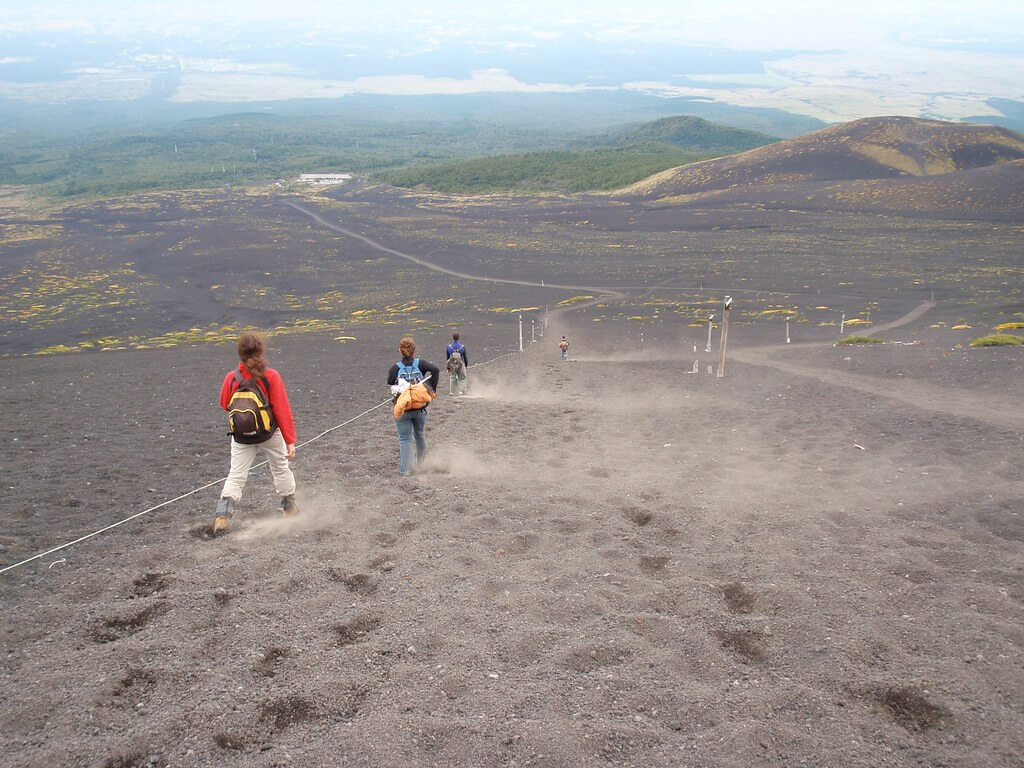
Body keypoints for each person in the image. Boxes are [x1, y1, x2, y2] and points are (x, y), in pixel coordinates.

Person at [213, 332, 298, 533]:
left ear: (240, 353)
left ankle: (223, 515)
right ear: (261, 351)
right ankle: (289, 507)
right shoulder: (271, 376)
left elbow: (224, 403)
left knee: (236, 475)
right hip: (269, 434)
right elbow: (282, 410)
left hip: (241, 437)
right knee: (280, 468)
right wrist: (290, 441)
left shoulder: (232, 378)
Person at [387, 337, 440, 476]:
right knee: (419, 434)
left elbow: (390, 382)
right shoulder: (421, 364)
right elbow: (435, 370)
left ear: (400, 351)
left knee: (404, 438)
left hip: (403, 409)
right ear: (414, 350)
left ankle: (406, 470)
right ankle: (422, 465)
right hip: (421, 407)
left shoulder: (395, 368)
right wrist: (431, 389)